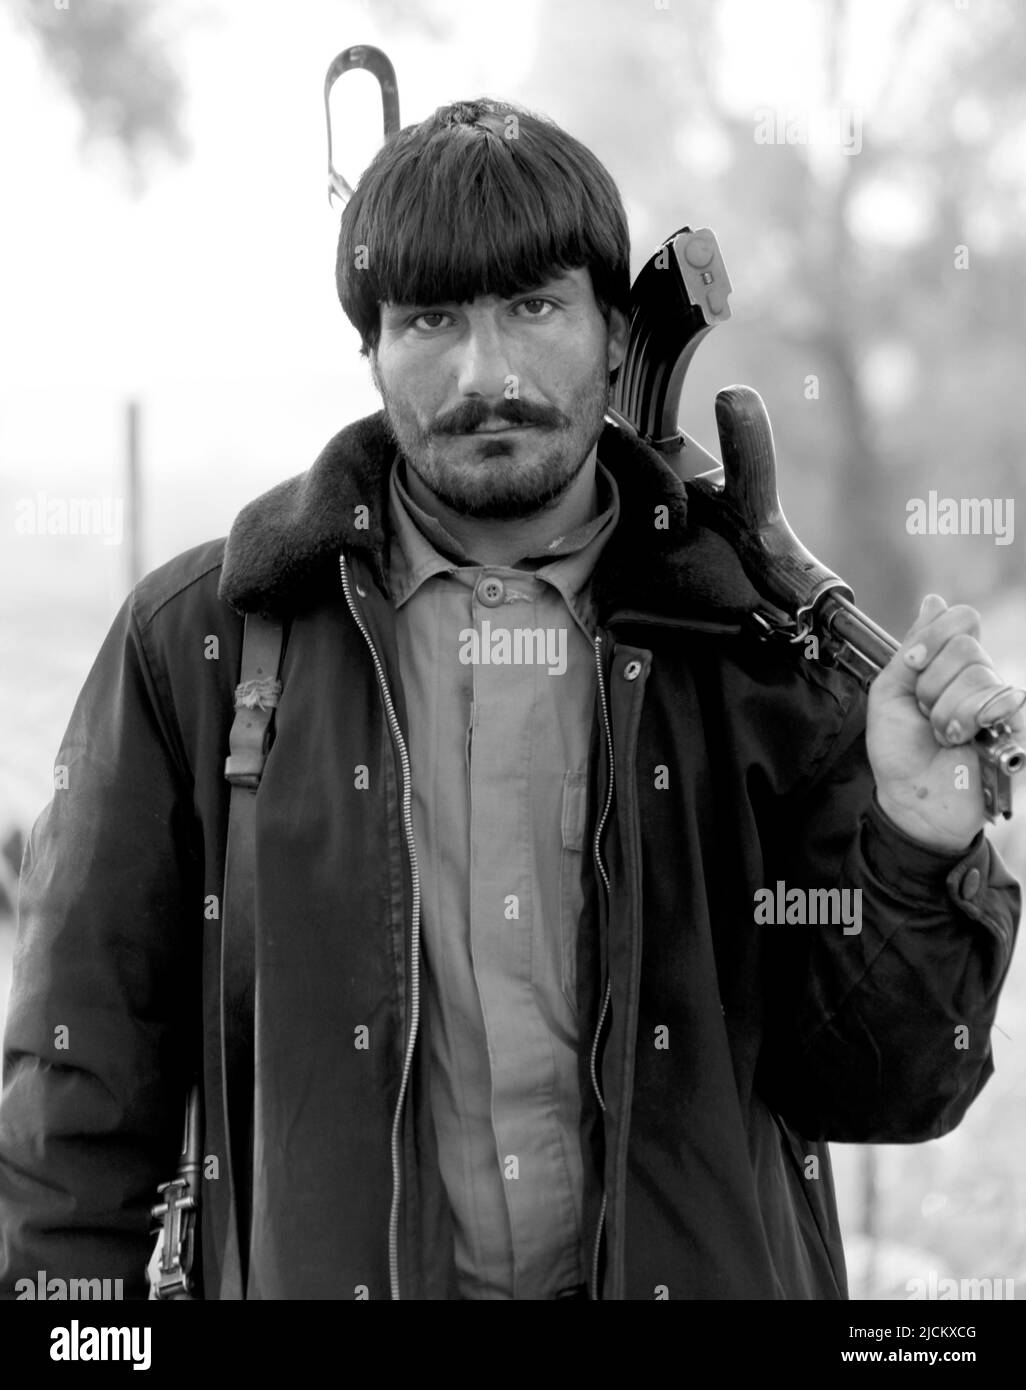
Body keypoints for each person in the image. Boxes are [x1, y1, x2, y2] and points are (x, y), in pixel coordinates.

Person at [0, 99, 1021, 1303]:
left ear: (613, 332)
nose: (488, 374)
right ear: (370, 352)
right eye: (431, 318)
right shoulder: (206, 647)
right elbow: (80, 1101)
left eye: (535, 307)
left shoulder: (751, 643)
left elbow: (890, 1089)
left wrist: (915, 837)